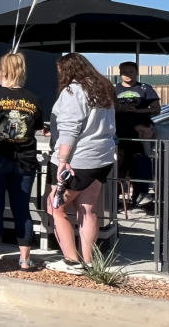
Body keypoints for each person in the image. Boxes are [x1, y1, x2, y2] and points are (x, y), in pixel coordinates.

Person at [45, 53, 117, 275]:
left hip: (77, 160)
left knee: (55, 208)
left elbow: (70, 128)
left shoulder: (73, 91)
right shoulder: (103, 90)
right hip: (102, 157)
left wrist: (63, 160)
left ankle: (71, 261)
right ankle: (88, 261)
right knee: (87, 209)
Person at [0, 53, 43, 271]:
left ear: (2, 72)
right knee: (22, 209)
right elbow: (36, 126)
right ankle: (25, 259)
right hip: (25, 160)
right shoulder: (33, 98)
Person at [114, 61, 160, 206]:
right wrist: (121, 109)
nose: (128, 75)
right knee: (119, 166)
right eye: (124, 72)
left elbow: (156, 109)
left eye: (131, 72)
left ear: (136, 72)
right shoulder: (113, 90)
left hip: (141, 135)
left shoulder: (146, 88)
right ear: (120, 73)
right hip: (119, 133)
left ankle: (140, 197)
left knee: (140, 165)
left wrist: (138, 111)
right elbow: (107, 110)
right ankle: (114, 199)